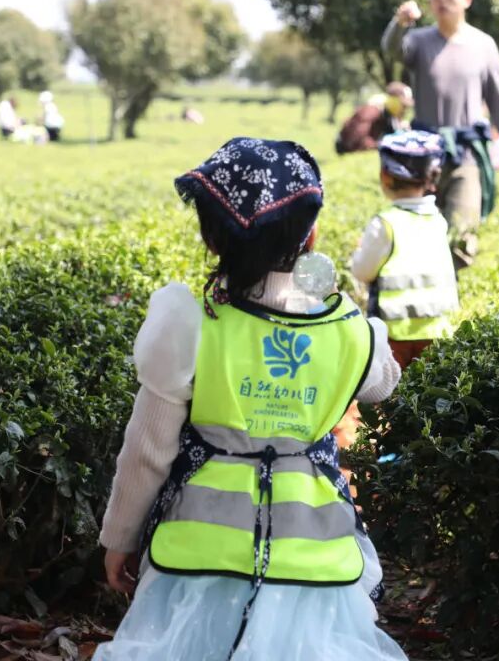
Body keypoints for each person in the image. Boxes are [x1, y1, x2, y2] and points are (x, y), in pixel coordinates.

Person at [95, 137, 406, 660]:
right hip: (311, 553)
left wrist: (119, 538)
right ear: (310, 236)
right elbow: (383, 383)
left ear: (211, 238)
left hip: (201, 553)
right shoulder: (352, 330)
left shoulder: (190, 323)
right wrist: (324, 297)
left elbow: (147, 452)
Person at [382, 0, 499, 269]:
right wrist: (399, 23)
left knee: (461, 233)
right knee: (421, 234)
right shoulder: (418, 40)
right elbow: (392, 50)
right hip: (424, 156)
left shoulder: (483, 45)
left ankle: (454, 288)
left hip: (466, 156)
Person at [351, 130, 458, 369]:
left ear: (385, 176)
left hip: (393, 333)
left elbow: (362, 272)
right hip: (436, 330)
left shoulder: (385, 223)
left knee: (388, 388)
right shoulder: (438, 220)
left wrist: (358, 252)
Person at [335, 82, 413, 154]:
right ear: (393, 100)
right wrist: (381, 145)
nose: (405, 110)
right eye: (403, 106)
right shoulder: (371, 112)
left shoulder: (389, 116)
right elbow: (355, 141)